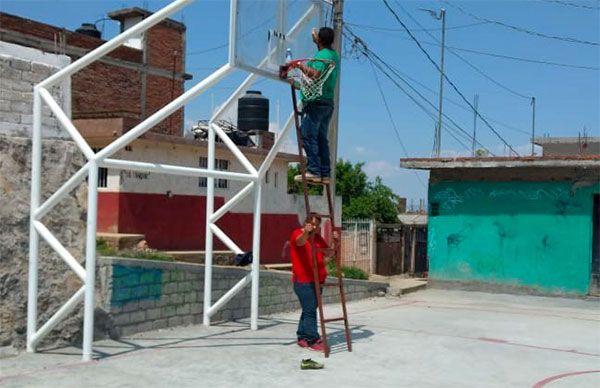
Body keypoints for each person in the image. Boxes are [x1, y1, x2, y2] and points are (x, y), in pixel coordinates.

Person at [286, 27, 339, 184]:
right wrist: (297, 84)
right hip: (327, 102)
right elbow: (319, 80)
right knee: (321, 138)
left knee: (308, 135)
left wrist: (298, 65)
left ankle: (313, 171)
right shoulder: (333, 55)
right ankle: (325, 173)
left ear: (319, 40)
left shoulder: (321, 55)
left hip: (315, 102)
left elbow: (315, 75)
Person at [289, 213, 339, 352]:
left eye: (317, 224)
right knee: (310, 311)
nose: (315, 227)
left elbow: (328, 253)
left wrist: (335, 242)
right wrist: (306, 232)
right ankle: (312, 339)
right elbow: (299, 242)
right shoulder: (297, 233)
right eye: (312, 224)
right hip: (303, 281)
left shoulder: (317, 238)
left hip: (318, 279)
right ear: (305, 223)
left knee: (308, 310)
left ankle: (302, 337)